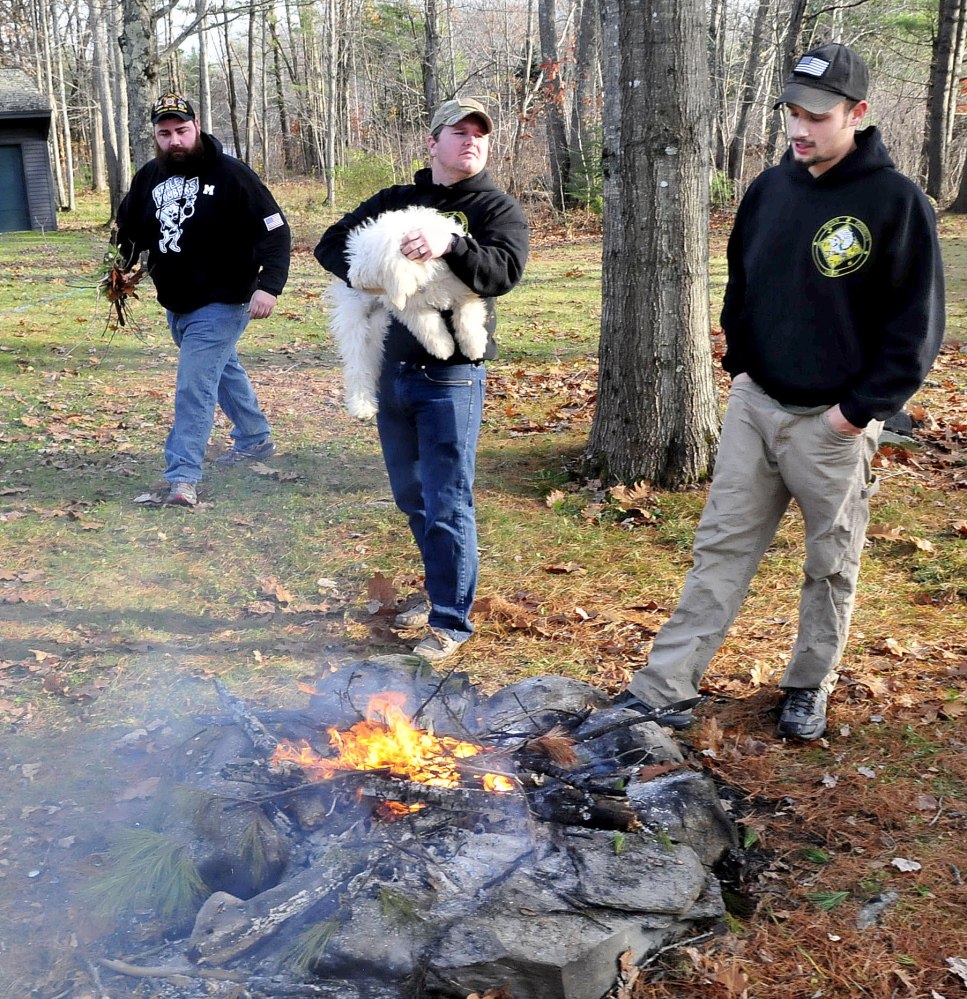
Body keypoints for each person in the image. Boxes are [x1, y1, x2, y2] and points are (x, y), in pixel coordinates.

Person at [618, 43, 944, 739]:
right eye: (792, 112)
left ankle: (806, 683)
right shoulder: (769, 189)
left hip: (832, 426)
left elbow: (915, 330)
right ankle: (664, 686)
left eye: (816, 115)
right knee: (718, 550)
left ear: (856, 113)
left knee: (829, 564)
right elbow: (741, 285)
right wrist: (741, 367)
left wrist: (851, 415)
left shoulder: (895, 203)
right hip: (756, 407)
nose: (799, 128)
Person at [315, 98, 529, 662]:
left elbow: (502, 273)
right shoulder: (393, 201)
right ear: (432, 143)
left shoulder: (494, 207)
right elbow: (329, 245)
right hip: (392, 372)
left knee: (447, 498)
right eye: (459, 133)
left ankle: (450, 621)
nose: (471, 142)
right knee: (412, 496)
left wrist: (451, 245)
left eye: (480, 134)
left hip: (450, 378)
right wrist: (372, 275)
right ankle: (440, 590)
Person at [115, 92, 290, 507]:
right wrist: (118, 269)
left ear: (196, 128)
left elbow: (275, 230)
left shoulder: (232, 174)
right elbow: (130, 229)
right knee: (222, 372)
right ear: (155, 137)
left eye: (182, 131)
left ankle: (182, 477)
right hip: (178, 302)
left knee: (194, 385)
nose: (175, 141)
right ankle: (254, 438)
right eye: (165, 133)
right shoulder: (148, 178)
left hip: (226, 300)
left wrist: (270, 285)